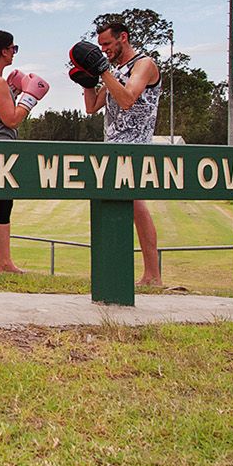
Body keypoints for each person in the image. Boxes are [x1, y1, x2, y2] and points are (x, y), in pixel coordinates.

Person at [76, 19, 163, 286]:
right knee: (111, 206)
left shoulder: (144, 64)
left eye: (107, 44)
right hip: (112, 146)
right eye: (100, 45)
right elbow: (92, 107)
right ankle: (117, 273)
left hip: (135, 146)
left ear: (123, 37)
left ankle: (152, 275)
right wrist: (87, 82)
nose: (103, 50)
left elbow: (127, 100)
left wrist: (103, 72)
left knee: (136, 206)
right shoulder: (116, 70)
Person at [0, 30, 49, 273]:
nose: (14, 52)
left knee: (3, 207)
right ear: (4, 51)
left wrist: (12, 93)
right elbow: (11, 120)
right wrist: (29, 98)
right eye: (14, 48)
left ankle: (5, 263)